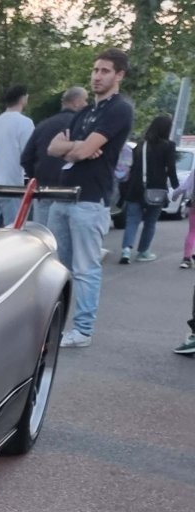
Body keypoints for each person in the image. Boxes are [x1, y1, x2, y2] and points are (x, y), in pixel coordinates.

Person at [46, 49, 135, 348]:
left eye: (105, 71)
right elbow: (52, 148)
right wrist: (78, 146)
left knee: (85, 268)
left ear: (119, 75)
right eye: (95, 70)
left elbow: (81, 151)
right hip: (63, 196)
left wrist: (76, 148)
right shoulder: (85, 111)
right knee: (59, 267)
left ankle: (82, 330)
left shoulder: (120, 109)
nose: (97, 76)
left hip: (90, 199)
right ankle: (54, 325)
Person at [20, 86, 88, 227]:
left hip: (44, 189)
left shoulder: (43, 125)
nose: (87, 105)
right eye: (85, 100)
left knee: (43, 237)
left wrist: (37, 177)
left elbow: (26, 158)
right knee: (64, 242)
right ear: (76, 102)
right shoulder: (82, 127)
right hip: (70, 192)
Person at [118, 115, 180, 264]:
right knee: (150, 222)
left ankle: (126, 251)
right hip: (157, 190)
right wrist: (177, 188)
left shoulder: (141, 145)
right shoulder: (168, 146)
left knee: (132, 220)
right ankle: (143, 252)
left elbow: (132, 168)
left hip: (136, 188)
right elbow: (171, 169)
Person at [0, 84, 33, 228]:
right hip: (10, 183)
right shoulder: (25, 123)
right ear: (23, 98)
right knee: (13, 229)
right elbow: (28, 153)